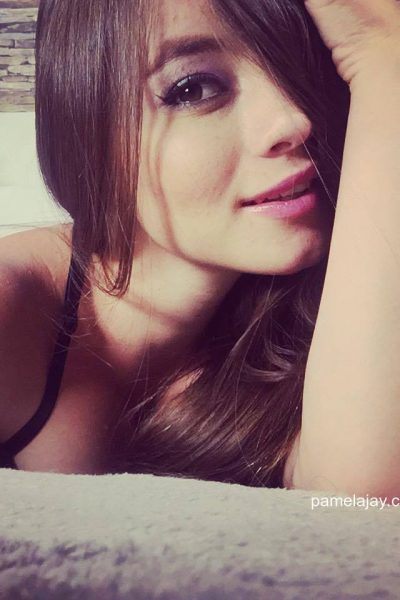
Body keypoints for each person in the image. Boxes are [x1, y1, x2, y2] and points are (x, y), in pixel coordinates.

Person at [1, 0, 399, 499]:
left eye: (308, 66)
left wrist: (383, 59)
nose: (294, 120)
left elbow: (355, 504)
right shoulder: (14, 302)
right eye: (194, 88)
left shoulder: (325, 314)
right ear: (85, 131)